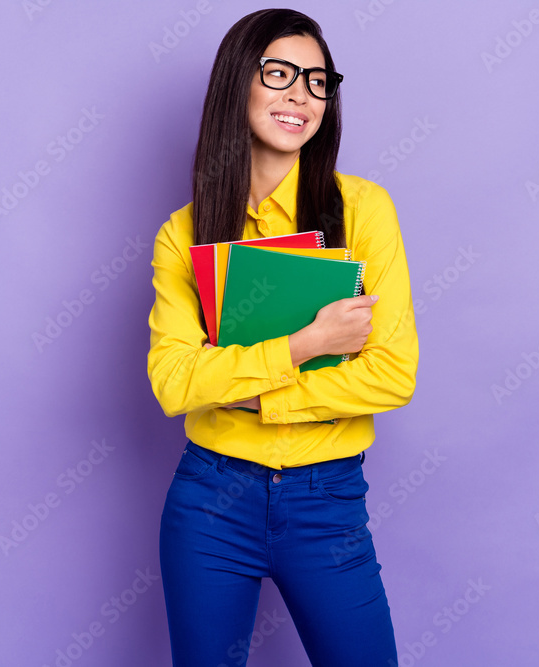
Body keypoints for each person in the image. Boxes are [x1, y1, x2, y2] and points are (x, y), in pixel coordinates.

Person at [147, 8, 419, 666]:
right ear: (237, 83)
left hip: (327, 502)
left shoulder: (363, 210)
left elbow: (392, 375)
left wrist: (253, 395)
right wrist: (308, 341)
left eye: (318, 81)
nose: (301, 93)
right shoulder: (184, 235)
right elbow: (174, 382)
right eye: (279, 73)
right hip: (211, 500)